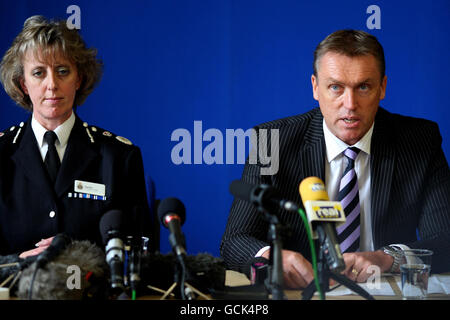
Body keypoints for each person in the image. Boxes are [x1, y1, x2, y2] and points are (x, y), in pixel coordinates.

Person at [220, 29, 450, 289]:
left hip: (383, 290)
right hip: (303, 293)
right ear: (316, 88)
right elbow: (235, 240)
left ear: (382, 87)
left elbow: (446, 239)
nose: (350, 104)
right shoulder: (271, 141)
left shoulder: (420, 141)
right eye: (336, 88)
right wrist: (270, 257)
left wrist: (387, 258)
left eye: (363, 87)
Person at [0, 15, 152, 258]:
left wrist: (78, 255)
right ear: (23, 84)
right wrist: (21, 263)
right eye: (39, 73)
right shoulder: (3, 151)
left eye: (62, 71)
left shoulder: (119, 157)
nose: (52, 84)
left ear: (78, 79)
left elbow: (142, 254)